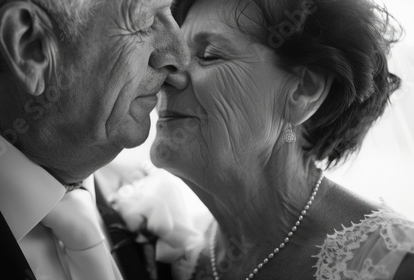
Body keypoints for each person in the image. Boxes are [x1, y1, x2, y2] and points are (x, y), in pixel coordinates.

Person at [0, 0, 189, 279]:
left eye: (169, 11)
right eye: (144, 21)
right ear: (29, 47)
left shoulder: (163, 211)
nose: (180, 55)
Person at [150, 0, 414, 279]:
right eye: (175, 57)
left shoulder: (396, 264)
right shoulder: (183, 257)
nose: (166, 77)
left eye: (209, 55)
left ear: (303, 90)